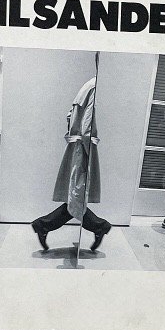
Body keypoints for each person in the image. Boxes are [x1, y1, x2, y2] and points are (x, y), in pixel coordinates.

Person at [31, 74, 112, 252]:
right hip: (82, 147)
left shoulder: (86, 87)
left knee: (76, 196)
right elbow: (86, 127)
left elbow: (70, 116)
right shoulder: (94, 88)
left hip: (78, 145)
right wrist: (88, 152)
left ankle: (44, 225)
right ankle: (98, 226)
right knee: (76, 196)